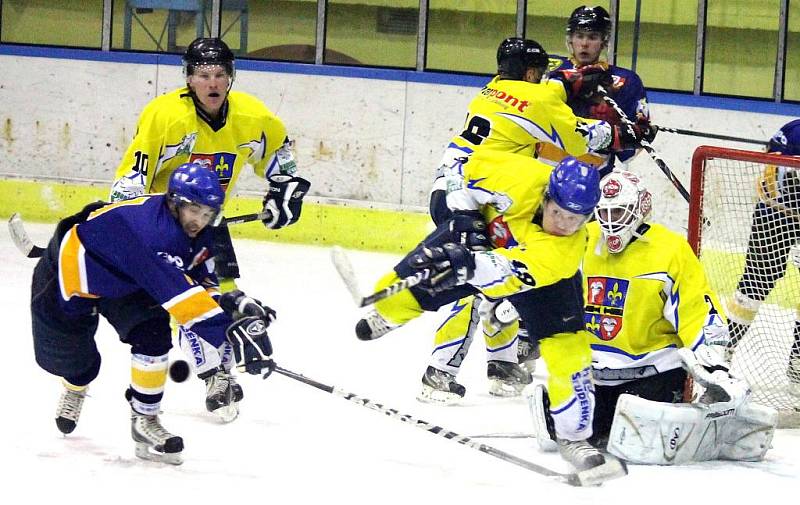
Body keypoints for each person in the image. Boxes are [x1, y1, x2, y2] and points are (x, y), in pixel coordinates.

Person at [353, 149, 626, 477]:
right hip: (482, 233)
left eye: (575, 219)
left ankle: (574, 437)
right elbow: (458, 169)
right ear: (546, 197)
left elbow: (502, 277)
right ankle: (388, 313)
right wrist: (465, 214)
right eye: (558, 213)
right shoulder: (515, 175)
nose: (564, 225)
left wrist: (470, 264)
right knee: (423, 268)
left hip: (533, 279)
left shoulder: (563, 252)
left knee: (570, 354)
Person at [412, 36, 650, 403]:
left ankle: (502, 363)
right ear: (528, 72)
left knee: (505, 268)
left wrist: (569, 85)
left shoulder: (493, 89)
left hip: (460, 187)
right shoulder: (534, 99)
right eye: (538, 72)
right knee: (478, 275)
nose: (542, 78)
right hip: (472, 194)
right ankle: (440, 371)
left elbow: (542, 103)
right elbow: (583, 138)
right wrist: (626, 132)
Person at [32, 163, 277, 464]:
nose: (198, 221)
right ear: (174, 202)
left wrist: (238, 306)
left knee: (154, 336)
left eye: (206, 214)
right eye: (194, 211)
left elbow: (201, 283)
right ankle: (75, 385)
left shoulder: (200, 232)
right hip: (76, 274)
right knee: (76, 362)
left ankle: (144, 421)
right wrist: (229, 332)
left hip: (129, 280)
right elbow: (178, 295)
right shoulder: (150, 231)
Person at [527, 170, 777, 464]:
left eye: (618, 211)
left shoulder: (669, 250)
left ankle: (719, 429)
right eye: (603, 212)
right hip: (592, 374)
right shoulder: (581, 240)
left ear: (640, 209)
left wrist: (715, 364)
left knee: (639, 440)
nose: (610, 222)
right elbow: (546, 281)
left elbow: (697, 308)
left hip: (652, 375)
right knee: (559, 424)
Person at [110, 37, 310, 292]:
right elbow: (132, 178)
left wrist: (284, 194)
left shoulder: (253, 117)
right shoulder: (165, 117)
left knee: (224, 304)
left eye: (220, 74)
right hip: (160, 226)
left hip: (209, 225)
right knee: (164, 310)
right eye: (204, 75)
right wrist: (129, 226)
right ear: (189, 79)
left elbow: (280, 161)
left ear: (231, 77)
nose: (213, 83)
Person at [726, 119, 800, 384]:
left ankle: (798, 362)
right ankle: (724, 347)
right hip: (776, 214)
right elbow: (776, 172)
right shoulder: (794, 131)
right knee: (756, 281)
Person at [543, 5, 654, 178]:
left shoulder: (624, 81)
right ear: (570, 39)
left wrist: (631, 133)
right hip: (542, 171)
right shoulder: (546, 69)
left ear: (604, 41)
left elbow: (630, 152)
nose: (585, 43)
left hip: (592, 179)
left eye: (592, 37)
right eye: (579, 36)